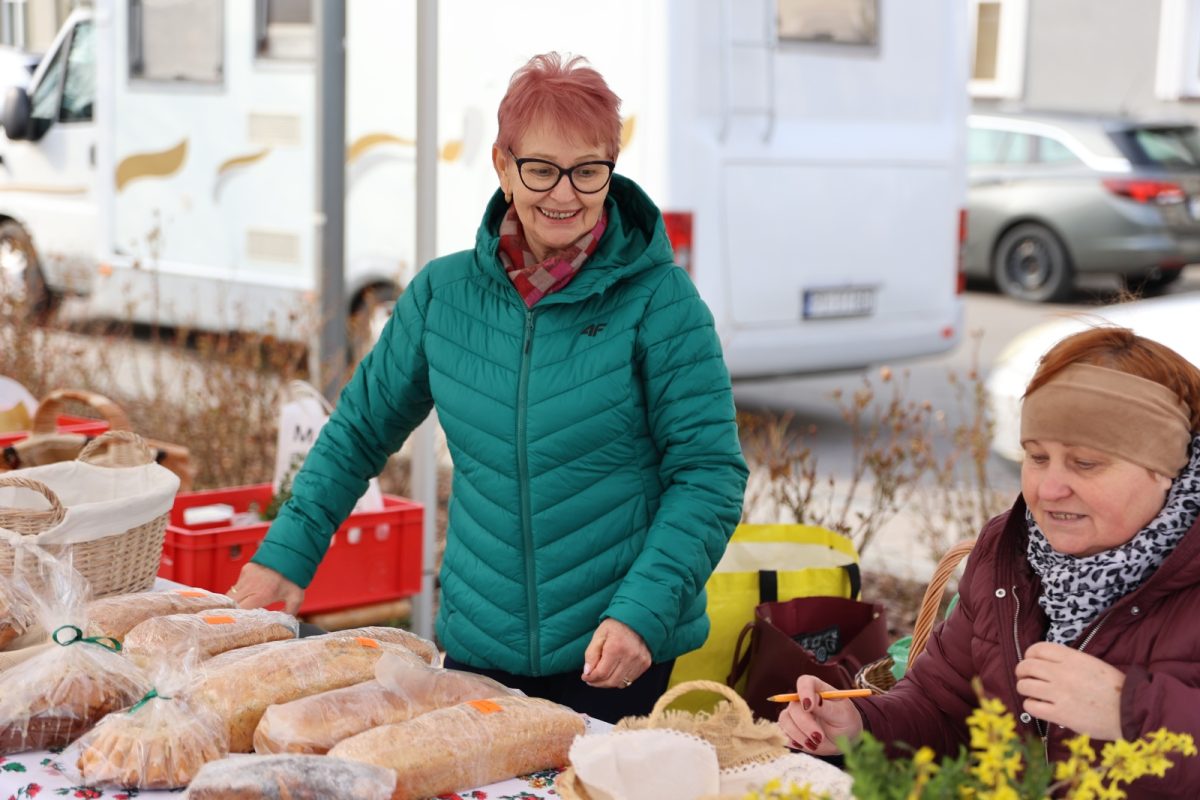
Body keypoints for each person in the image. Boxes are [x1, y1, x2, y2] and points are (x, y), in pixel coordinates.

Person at [227, 52, 748, 722]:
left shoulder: (661, 301)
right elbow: (358, 430)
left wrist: (643, 616)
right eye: (541, 169)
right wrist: (289, 552)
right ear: (503, 166)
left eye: (588, 171)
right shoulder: (443, 295)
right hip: (479, 643)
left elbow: (708, 474)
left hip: (611, 653)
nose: (565, 194)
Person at [780, 326, 1200, 797]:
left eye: (1085, 463)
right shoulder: (1010, 553)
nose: (1048, 488)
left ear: (1165, 470)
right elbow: (944, 707)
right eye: (1037, 457)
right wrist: (861, 727)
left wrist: (1131, 712)